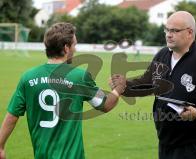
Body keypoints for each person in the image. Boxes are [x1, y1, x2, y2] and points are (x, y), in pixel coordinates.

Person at [110, 11, 196, 159]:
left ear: (189, 33)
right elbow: (148, 83)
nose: (168, 34)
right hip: (166, 142)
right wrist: (124, 85)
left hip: (194, 145)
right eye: (167, 30)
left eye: (174, 31)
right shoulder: (163, 55)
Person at [0, 22, 125, 159]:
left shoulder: (27, 78)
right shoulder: (79, 77)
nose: (75, 50)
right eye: (74, 45)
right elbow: (105, 104)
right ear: (66, 48)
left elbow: (12, 116)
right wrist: (118, 89)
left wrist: (0, 146)